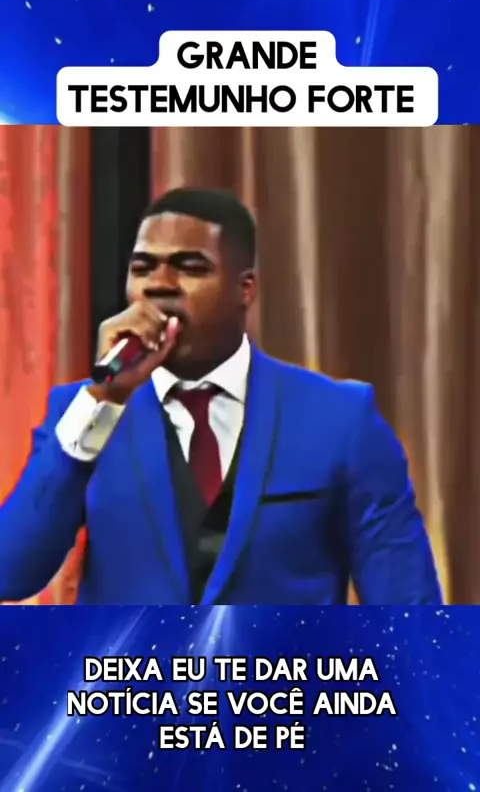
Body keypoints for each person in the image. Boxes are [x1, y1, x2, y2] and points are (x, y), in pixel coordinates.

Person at [0, 187, 442, 605]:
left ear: (244, 289)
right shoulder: (83, 415)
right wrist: (104, 397)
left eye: (191, 267)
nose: (159, 285)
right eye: (143, 268)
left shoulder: (340, 420)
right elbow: (11, 572)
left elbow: (410, 616)